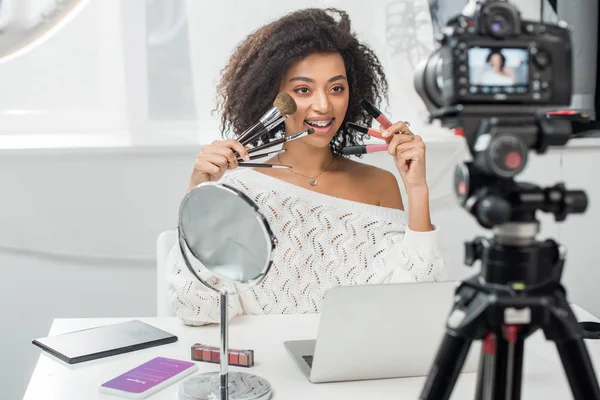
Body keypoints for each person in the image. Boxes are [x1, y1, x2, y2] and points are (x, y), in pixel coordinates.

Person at [166, 8, 446, 326]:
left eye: (336, 88)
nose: (324, 105)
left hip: (352, 367)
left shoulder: (380, 185)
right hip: (261, 367)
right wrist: (197, 192)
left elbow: (409, 308)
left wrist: (417, 190)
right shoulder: (235, 188)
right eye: (303, 90)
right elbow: (197, 307)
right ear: (272, 96)